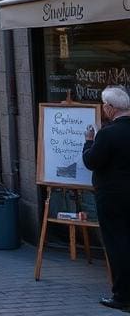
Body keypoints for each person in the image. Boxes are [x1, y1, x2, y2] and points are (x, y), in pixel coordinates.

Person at [82, 85, 130, 311]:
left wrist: (89, 141)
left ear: (111, 109)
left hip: (112, 196)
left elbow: (92, 161)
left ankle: (122, 295)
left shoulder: (108, 133)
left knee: (117, 244)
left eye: (104, 105)